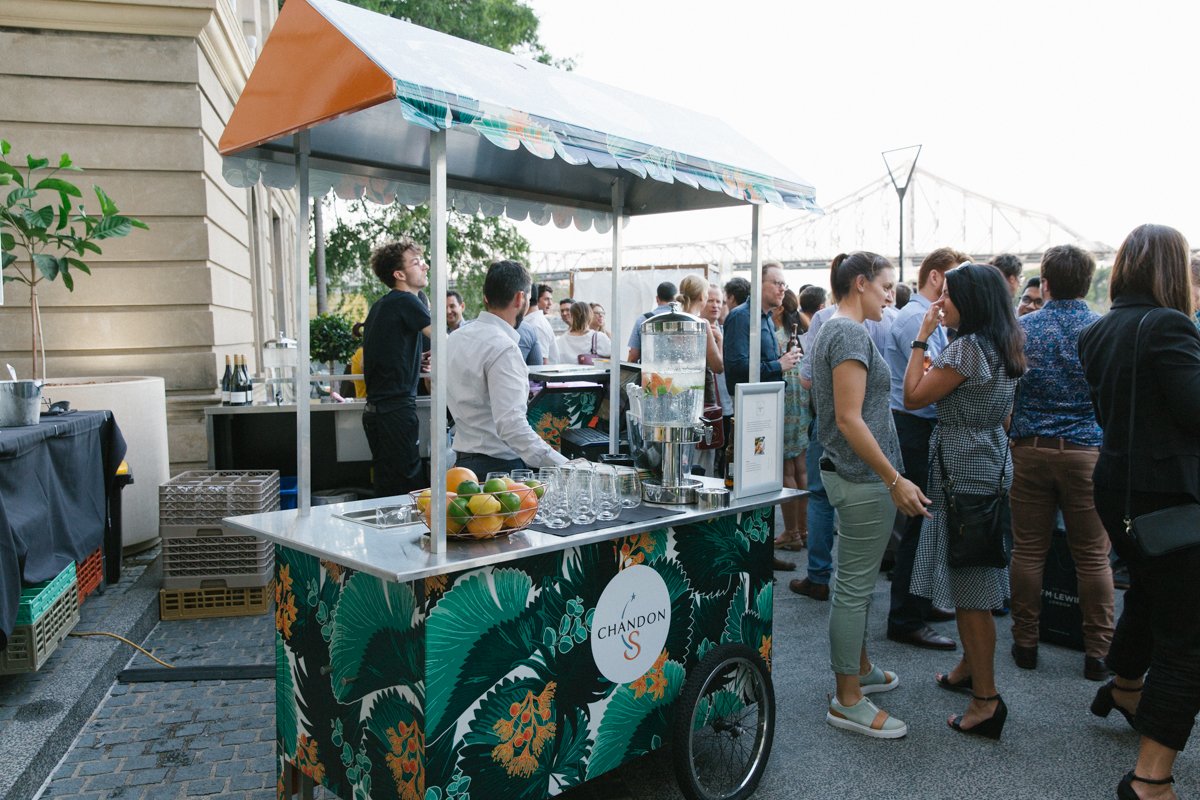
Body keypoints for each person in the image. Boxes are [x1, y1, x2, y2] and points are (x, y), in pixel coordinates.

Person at [1078, 223, 1200, 800]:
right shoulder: (1170, 325)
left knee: (1150, 597)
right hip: (1168, 495)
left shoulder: (1100, 330)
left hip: (1116, 488)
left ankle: (1125, 686)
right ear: (1173, 270)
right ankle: (1151, 780)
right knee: (1188, 638)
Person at [810, 251, 929, 739]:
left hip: (852, 473)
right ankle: (847, 698)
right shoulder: (849, 332)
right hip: (861, 477)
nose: (891, 295)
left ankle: (856, 670)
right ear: (860, 284)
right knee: (855, 588)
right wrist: (893, 479)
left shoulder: (836, 329)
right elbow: (848, 417)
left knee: (852, 584)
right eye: (885, 286)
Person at [905, 262, 1024, 740]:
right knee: (973, 567)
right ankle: (969, 668)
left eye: (948, 295)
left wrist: (921, 336)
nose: (940, 302)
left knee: (971, 586)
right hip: (989, 458)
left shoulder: (967, 349)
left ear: (970, 302)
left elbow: (913, 395)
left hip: (963, 469)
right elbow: (1007, 413)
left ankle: (986, 701)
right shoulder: (1003, 343)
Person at [1007, 245, 1114, 681]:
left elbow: (1008, 389)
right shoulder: (1102, 329)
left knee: (1028, 551)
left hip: (1030, 449)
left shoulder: (1023, 328)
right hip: (1087, 450)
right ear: (1087, 282)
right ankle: (1098, 652)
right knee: (1092, 557)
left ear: (1045, 283)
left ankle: (1026, 643)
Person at [883, 247, 967, 652]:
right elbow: (932, 378)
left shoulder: (921, 314)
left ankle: (918, 603)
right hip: (915, 424)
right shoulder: (918, 317)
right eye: (954, 281)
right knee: (921, 519)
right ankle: (906, 616)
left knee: (925, 520)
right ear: (936, 277)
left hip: (917, 422)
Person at [447, 260, 570, 476]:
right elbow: (512, 426)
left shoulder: (453, 339)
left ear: (486, 297)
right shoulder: (503, 348)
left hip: (462, 466)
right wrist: (564, 465)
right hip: (499, 470)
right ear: (520, 298)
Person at [723, 262, 803, 572]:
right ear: (760, 284)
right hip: (749, 417)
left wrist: (779, 362)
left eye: (784, 284)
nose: (783, 288)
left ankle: (762, 552)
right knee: (747, 484)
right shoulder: (743, 318)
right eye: (777, 283)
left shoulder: (765, 319)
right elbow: (736, 369)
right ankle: (750, 556)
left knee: (763, 485)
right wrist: (779, 364)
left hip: (765, 415)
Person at [361, 240, 433, 498]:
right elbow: (445, 341)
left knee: (388, 487)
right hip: (396, 412)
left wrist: (415, 360)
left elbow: (388, 352)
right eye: (416, 263)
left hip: (377, 413)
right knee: (409, 487)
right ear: (399, 275)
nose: (425, 266)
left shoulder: (382, 305)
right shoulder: (406, 300)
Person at [773, 289, 811, 553]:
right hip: (803, 403)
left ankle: (791, 532)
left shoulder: (776, 337)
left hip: (784, 402)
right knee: (802, 469)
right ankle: (804, 529)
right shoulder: (802, 335)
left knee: (786, 471)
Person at [626, 281, 677, 362]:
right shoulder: (682, 321)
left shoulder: (643, 320)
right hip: (676, 372)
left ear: (657, 299)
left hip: (650, 373)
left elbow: (633, 356)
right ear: (675, 300)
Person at [523, 284, 559, 364]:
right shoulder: (534, 322)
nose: (550, 303)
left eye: (550, 299)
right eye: (546, 299)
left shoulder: (536, 325)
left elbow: (543, 363)